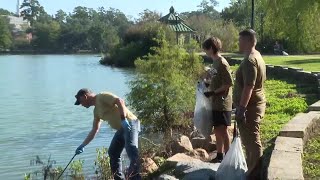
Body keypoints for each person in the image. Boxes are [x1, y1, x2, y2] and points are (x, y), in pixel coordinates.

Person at [74, 88, 141, 180]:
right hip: (121, 130)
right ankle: (119, 178)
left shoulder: (102, 96)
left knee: (131, 150)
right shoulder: (96, 112)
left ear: (85, 96)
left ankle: (136, 178)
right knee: (113, 152)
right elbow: (95, 129)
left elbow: (119, 101)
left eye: (80, 101)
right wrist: (83, 145)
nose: (81, 104)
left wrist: (123, 119)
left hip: (130, 123)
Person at [234, 29, 267, 179]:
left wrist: (241, 109)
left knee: (252, 140)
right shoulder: (257, 55)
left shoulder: (249, 61)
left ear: (248, 41)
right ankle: (252, 169)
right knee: (250, 140)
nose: (238, 43)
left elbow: (249, 86)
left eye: (240, 40)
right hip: (254, 104)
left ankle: (255, 173)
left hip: (251, 107)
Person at [202, 37, 233, 163]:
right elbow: (215, 79)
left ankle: (229, 157)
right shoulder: (214, 62)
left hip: (222, 102)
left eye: (205, 48)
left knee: (223, 130)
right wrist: (206, 84)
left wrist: (213, 92)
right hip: (214, 102)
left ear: (211, 48)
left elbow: (228, 83)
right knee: (217, 130)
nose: (204, 51)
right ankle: (220, 155)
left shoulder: (222, 62)